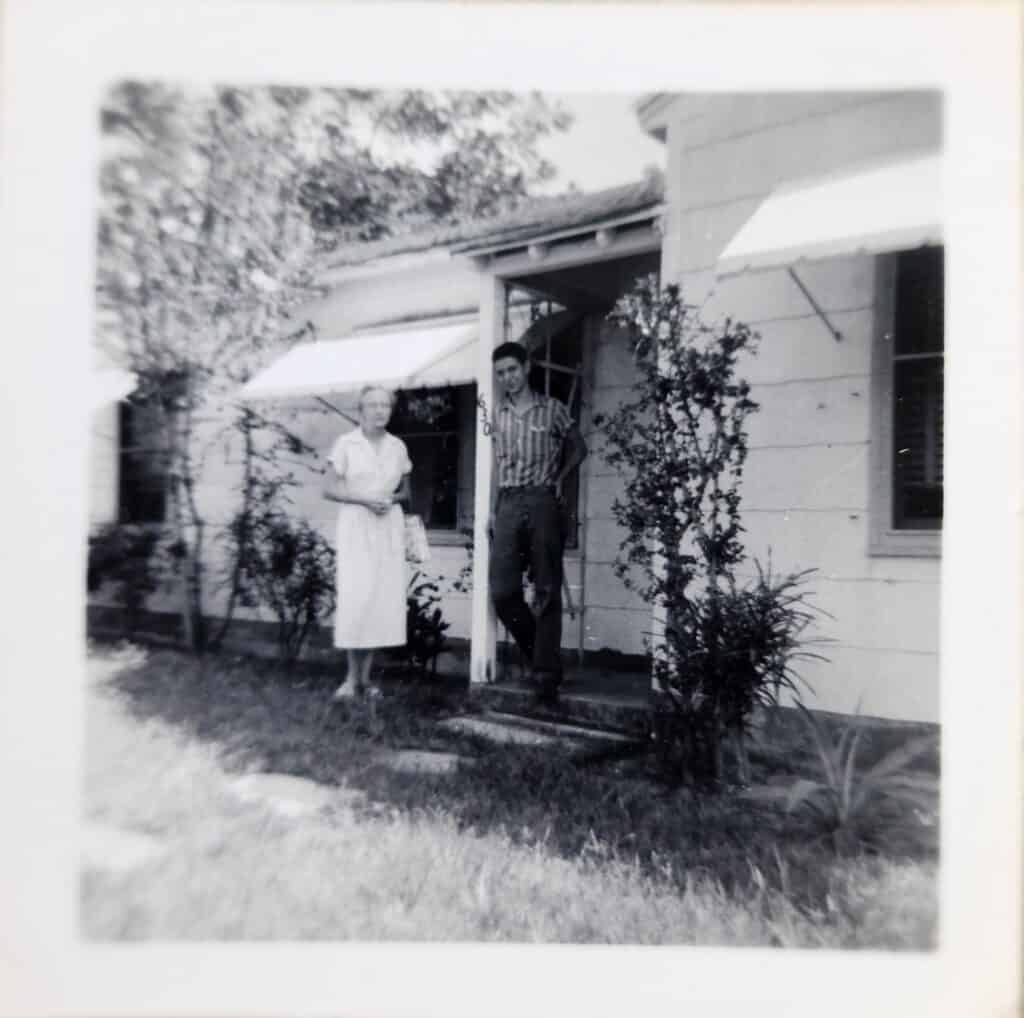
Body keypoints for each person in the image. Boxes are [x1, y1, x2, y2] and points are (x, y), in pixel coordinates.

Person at [488, 341, 587, 706]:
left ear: (526, 368)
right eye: (500, 373)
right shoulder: (497, 414)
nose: (507, 378)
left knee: (546, 586)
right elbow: (495, 466)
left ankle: (545, 675)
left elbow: (580, 448)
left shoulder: (553, 410)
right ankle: (544, 657)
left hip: (544, 499)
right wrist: (492, 509)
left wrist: (560, 478)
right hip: (510, 502)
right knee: (502, 590)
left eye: (512, 369)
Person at [323, 385, 412, 700]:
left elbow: (406, 492)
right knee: (356, 597)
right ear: (360, 410)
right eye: (372, 405)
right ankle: (350, 679)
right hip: (356, 527)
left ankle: (366, 679)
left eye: (384, 405)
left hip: (386, 526)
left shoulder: (398, 447)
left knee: (379, 599)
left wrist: (389, 499)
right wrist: (363, 499)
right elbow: (329, 488)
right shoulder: (346, 444)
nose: (379, 411)